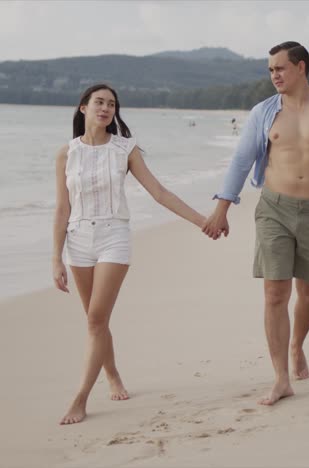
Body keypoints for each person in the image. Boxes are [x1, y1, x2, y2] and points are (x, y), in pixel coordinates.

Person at [202, 42, 309, 406]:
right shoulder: (264, 112)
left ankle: (297, 343)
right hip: (273, 208)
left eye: (280, 68)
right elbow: (242, 160)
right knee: (275, 294)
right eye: (270, 69)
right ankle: (280, 379)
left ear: (301, 67)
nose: (274, 75)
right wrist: (221, 208)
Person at [52, 83, 206, 424]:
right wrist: (56, 258)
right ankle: (112, 374)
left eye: (111, 104)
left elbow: (160, 192)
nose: (105, 108)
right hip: (77, 240)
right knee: (97, 321)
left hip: (113, 237)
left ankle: (80, 398)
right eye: (99, 102)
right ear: (83, 108)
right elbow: (62, 208)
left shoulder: (125, 149)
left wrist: (201, 221)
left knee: (95, 319)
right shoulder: (67, 153)